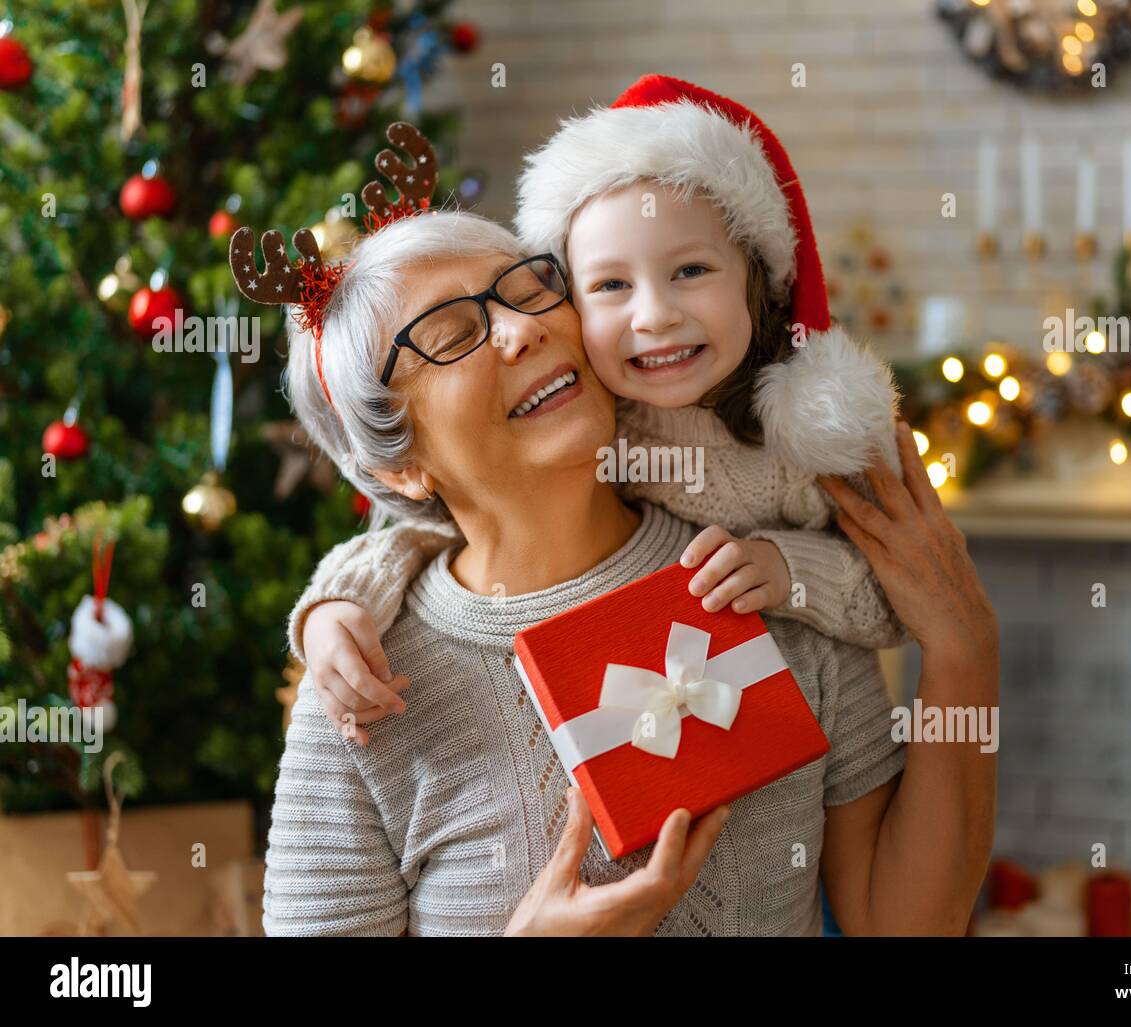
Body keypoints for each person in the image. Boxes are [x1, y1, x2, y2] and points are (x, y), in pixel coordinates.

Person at [248, 195, 997, 934]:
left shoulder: (761, 575)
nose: (521, 329)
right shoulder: (363, 692)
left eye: (527, 287)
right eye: (449, 334)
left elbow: (907, 925)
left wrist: (966, 650)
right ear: (401, 465)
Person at [292, 75, 914, 748]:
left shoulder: (789, 443)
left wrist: (791, 572)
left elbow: (902, 598)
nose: (654, 317)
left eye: (526, 289)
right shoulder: (608, 418)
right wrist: (333, 609)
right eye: (611, 285)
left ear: (755, 281)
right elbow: (422, 537)